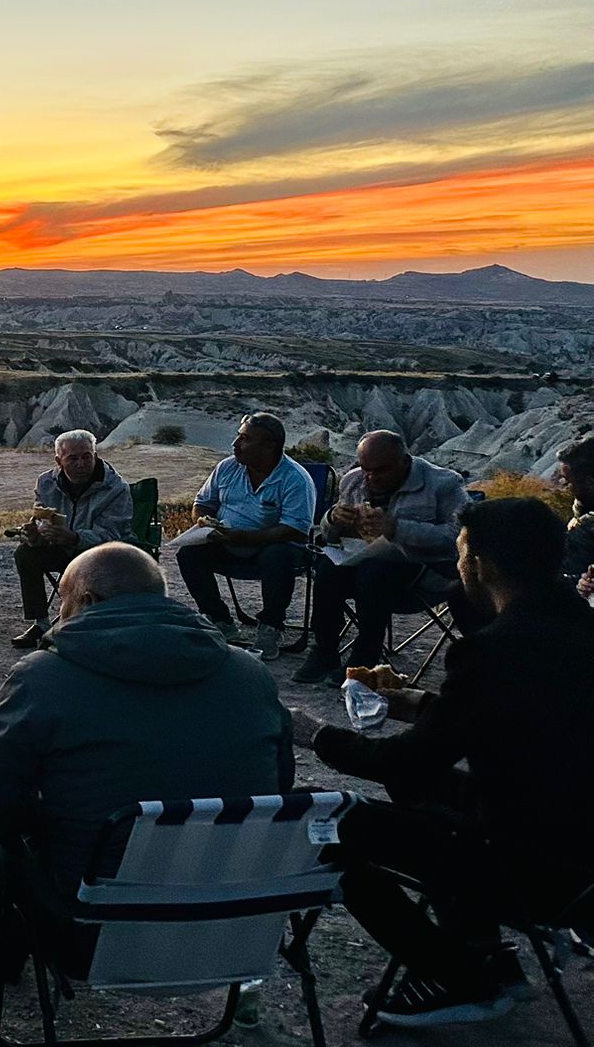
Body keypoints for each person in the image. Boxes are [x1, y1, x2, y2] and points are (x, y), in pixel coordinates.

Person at [291, 499, 594, 1028]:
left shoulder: (492, 649)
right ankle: (481, 949)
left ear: (480, 564)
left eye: (460, 555)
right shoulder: (577, 627)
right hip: (581, 856)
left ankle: (459, 975)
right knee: (425, 790)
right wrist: (426, 706)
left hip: (530, 867)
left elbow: (405, 761)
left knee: (319, 824)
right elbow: (536, 719)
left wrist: (317, 735)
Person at [0, 543, 292, 982]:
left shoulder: (46, 676)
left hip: (90, 941)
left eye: (62, 604)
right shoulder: (250, 674)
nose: (59, 617)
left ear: (88, 601)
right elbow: (279, 785)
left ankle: (11, 931)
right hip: (231, 932)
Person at [298, 431, 471, 684]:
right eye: (366, 469)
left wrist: (396, 529)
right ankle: (324, 651)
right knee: (327, 569)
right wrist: (333, 519)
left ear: (404, 461)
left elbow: (460, 536)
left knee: (376, 571)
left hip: (425, 571)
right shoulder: (353, 481)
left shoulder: (443, 483)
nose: (371, 477)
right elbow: (331, 536)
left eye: (380, 471)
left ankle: (366, 656)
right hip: (363, 565)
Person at [174, 412, 316, 661]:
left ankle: (271, 627)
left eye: (245, 438)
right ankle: (219, 619)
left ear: (269, 446)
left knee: (277, 555)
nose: (235, 444)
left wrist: (247, 538)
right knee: (189, 553)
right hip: (227, 541)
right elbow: (203, 502)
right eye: (239, 436)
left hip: (274, 547)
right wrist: (205, 522)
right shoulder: (227, 467)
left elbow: (295, 529)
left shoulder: (295, 478)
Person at [9, 430, 133, 649]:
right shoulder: (46, 483)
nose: (81, 464)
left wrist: (74, 538)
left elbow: (112, 535)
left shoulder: (115, 488)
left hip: (100, 554)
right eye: (72, 458)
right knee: (25, 553)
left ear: (95, 456)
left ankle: (85, 625)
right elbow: (42, 519)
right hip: (61, 548)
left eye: (86, 456)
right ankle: (41, 624)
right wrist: (35, 536)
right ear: (59, 461)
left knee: (99, 562)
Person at [556, 436, 594, 593]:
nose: (563, 485)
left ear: (590, 482)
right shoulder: (582, 512)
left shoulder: (585, 530)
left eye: (567, 481)